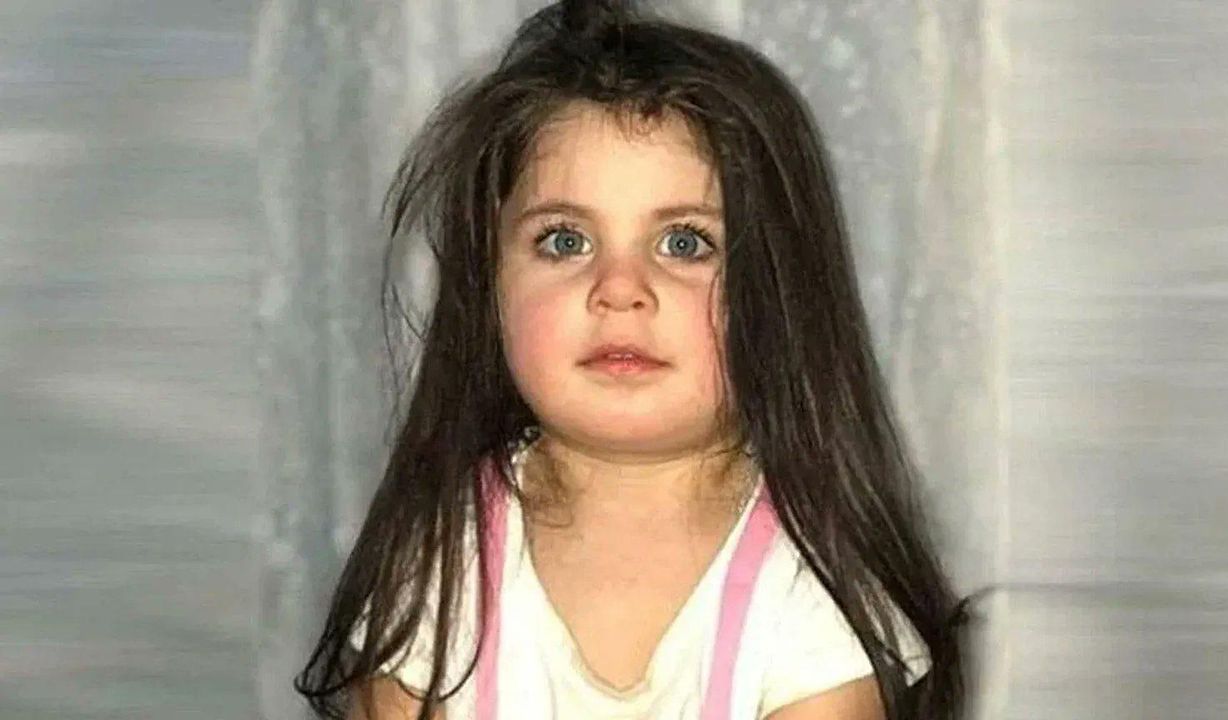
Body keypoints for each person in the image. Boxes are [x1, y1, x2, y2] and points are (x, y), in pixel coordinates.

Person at [295, 1, 977, 718]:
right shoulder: (442, 555)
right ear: (488, 287)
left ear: (780, 293)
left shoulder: (816, 588)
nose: (619, 289)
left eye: (684, 243)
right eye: (565, 241)